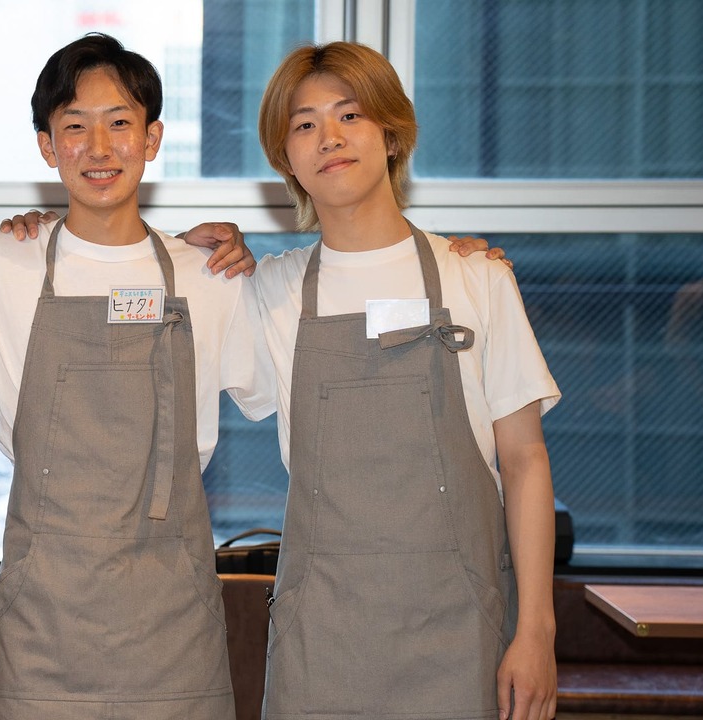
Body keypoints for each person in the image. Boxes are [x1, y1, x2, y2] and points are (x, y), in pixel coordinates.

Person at [0, 33, 275, 720]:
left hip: (172, 623)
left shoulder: (208, 277)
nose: (99, 148)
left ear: (152, 138)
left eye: (119, 123)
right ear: (46, 145)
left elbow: (282, 382)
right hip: (43, 625)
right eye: (75, 127)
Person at [251, 42, 560, 720]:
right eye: (303, 125)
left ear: (391, 133)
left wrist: (536, 630)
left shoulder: (476, 278)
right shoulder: (268, 292)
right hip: (320, 647)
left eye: (350, 115)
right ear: (288, 160)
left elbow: (525, 460)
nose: (328, 138)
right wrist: (202, 241)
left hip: (461, 637)